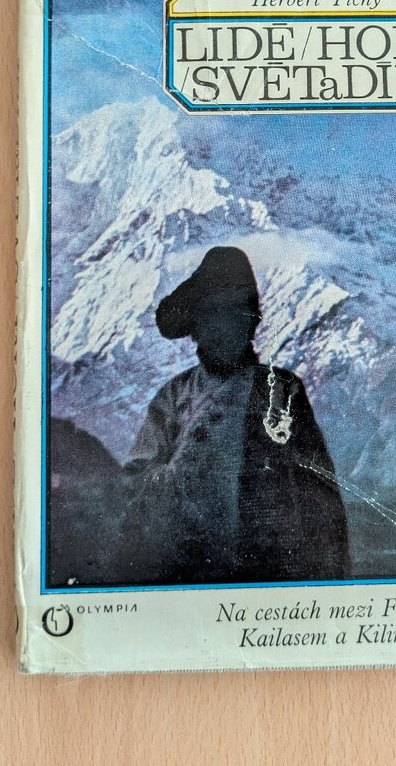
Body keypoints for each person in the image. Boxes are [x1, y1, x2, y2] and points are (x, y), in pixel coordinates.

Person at [118, 246, 350, 585]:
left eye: (233, 314)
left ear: (250, 323)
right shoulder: (174, 397)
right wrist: (184, 476)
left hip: (271, 575)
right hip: (187, 572)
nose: (222, 328)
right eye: (210, 316)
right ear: (195, 328)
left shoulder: (282, 391)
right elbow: (133, 484)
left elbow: (320, 499)